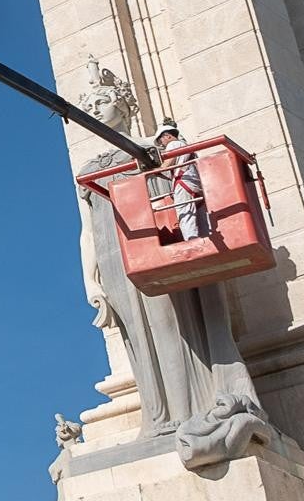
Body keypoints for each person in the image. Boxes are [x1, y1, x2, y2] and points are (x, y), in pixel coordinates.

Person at [74, 70, 262, 442]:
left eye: (103, 101)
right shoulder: (88, 169)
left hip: (153, 247)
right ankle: (158, 416)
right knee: (138, 338)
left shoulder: (155, 146)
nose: (95, 109)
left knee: (169, 326)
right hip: (114, 260)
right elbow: (87, 230)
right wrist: (91, 281)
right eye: (89, 106)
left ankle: (188, 410)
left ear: (125, 104)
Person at [154, 124, 208, 241]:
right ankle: (205, 239)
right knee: (201, 216)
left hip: (183, 183)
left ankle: (191, 241)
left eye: (161, 141)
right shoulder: (188, 148)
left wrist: (155, 170)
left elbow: (169, 163)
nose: (162, 145)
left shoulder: (173, 144)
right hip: (195, 184)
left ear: (167, 136)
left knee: (185, 214)